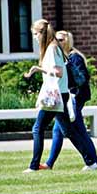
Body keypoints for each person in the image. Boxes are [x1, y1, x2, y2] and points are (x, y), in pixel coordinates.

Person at [23, 19, 80, 173]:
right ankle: (91, 161)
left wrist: (38, 69)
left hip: (56, 95)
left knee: (37, 128)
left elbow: (59, 73)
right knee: (68, 131)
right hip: (59, 94)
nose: (34, 38)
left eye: (35, 34)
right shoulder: (53, 48)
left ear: (42, 34)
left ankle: (34, 166)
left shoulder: (52, 49)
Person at [45, 31, 97, 171]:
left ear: (68, 41)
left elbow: (82, 79)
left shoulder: (74, 57)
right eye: (56, 40)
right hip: (67, 97)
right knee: (58, 129)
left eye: (61, 39)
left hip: (75, 97)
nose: (58, 42)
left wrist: (73, 94)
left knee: (77, 129)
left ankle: (92, 162)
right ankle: (49, 163)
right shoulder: (61, 57)